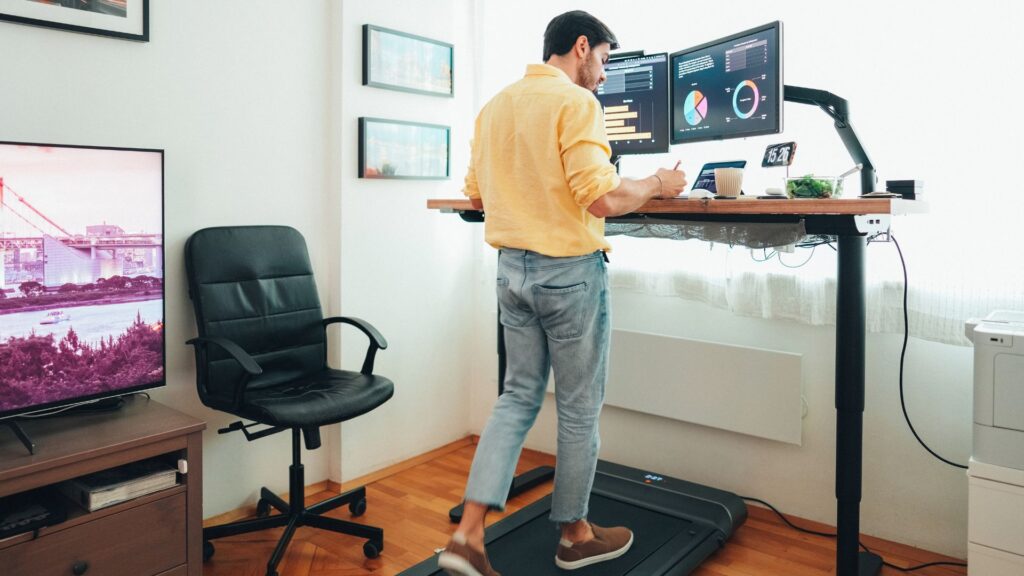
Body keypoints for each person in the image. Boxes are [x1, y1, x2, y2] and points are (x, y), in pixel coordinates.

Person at [438, 10, 687, 576]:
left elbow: (475, 198)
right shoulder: (577, 105)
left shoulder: (496, 106)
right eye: (602, 60)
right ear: (581, 47)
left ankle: (468, 535)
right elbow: (599, 198)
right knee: (577, 409)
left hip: (511, 272)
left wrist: (526, 197)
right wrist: (657, 184)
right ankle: (574, 534)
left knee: (517, 396)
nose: (603, 75)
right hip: (568, 274)